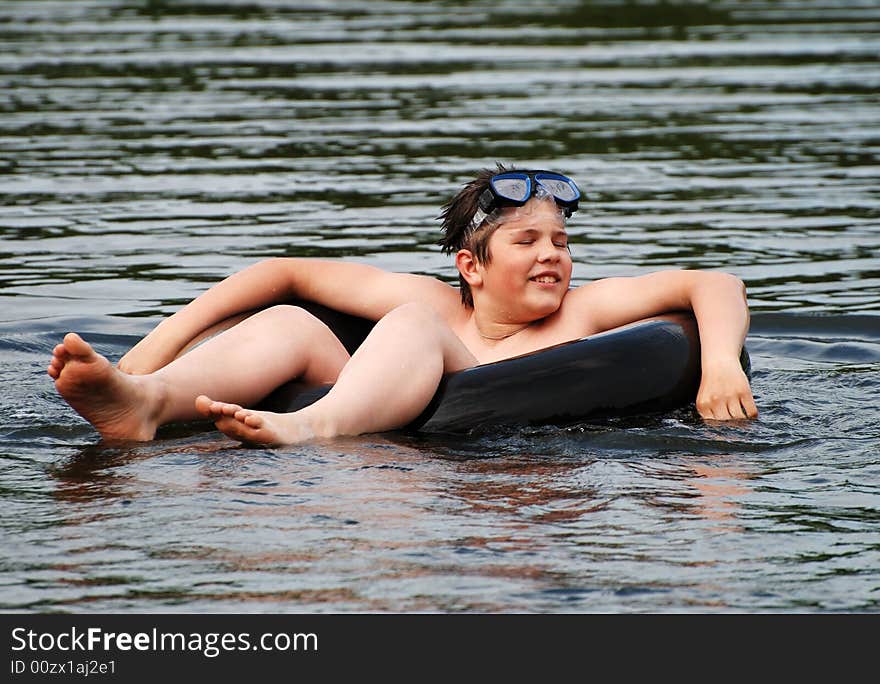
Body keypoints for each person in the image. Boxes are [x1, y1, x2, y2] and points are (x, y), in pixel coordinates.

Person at [48, 165, 758, 446]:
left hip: (477, 482)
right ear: (470, 267)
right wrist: (152, 348)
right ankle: (144, 399)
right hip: (398, 423)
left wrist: (719, 364)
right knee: (294, 322)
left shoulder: (586, 311)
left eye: (563, 242)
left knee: (409, 328)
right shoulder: (428, 301)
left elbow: (714, 283)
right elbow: (281, 272)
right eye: (528, 241)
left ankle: (309, 427)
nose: (553, 256)